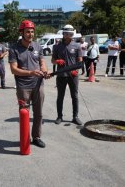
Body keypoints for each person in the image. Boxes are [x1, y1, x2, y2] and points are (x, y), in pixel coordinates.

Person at [9, 20, 50, 148]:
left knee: (39, 113)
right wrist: (31, 72)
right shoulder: (14, 49)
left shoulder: (38, 46)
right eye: (27, 32)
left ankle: (36, 137)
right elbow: (13, 69)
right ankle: (24, 137)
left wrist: (45, 70)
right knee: (24, 113)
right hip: (23, 87)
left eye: (32, 32)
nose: (30, 34)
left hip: (38, 85)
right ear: (22, 32)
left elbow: (42, 62)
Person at [51, 24, 83, 125]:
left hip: (73, 76)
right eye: (65, 33)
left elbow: (80, 61)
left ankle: (75, 116)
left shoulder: (77, 46)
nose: (67, 35)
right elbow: (52, 61)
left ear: (72, 34)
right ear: (63, 33)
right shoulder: (57, 46)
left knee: (75, 96)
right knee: (60, 96)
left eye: (69, 33)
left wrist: (76, 70)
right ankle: (59, 116)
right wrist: (57, 61)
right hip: (61, 75)